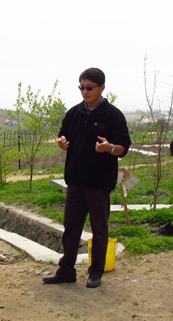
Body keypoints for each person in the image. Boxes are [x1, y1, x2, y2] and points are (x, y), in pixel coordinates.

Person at [43, 68, 131, 288]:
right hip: (75, 181)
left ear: (101, 88)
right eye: (81, 87)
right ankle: (66, 270)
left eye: (89, 88)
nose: (84, 91)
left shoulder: (113, 115)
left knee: (99, 229)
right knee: (71, 228)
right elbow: (63, 136)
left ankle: (96, 272)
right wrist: (61, 143)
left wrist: (109, 148)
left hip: (99, 184)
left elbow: (123, 148)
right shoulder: (74, 113)